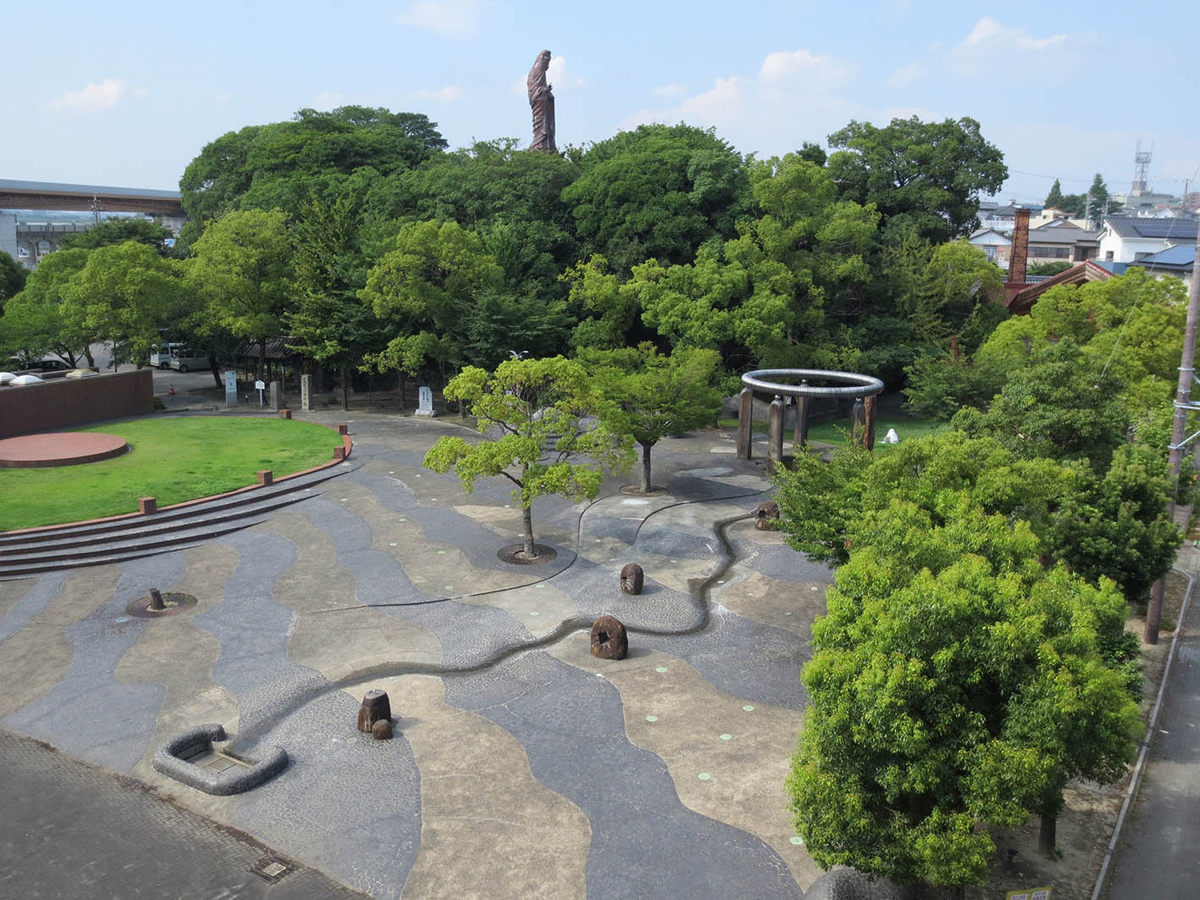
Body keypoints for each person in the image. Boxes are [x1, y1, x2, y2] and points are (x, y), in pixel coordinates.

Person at [527, 50, 556, 152]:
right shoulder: (535, 72)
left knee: (548, 126)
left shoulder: (542, 73)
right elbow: (533, 89)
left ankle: (548, 146)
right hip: (539, 104)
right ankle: (539, 146)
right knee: (541, 126)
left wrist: (548, 94)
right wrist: (544, 90)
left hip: (545, 103)